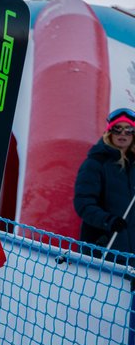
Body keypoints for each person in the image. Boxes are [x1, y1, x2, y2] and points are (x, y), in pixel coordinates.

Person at [74, 108, 135, 254]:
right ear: (109, 132)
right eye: (117, 129)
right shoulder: (96, 163)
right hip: (103, 250)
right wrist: (108, 221)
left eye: (128, 130)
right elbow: (83, 204)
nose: (122, 134)